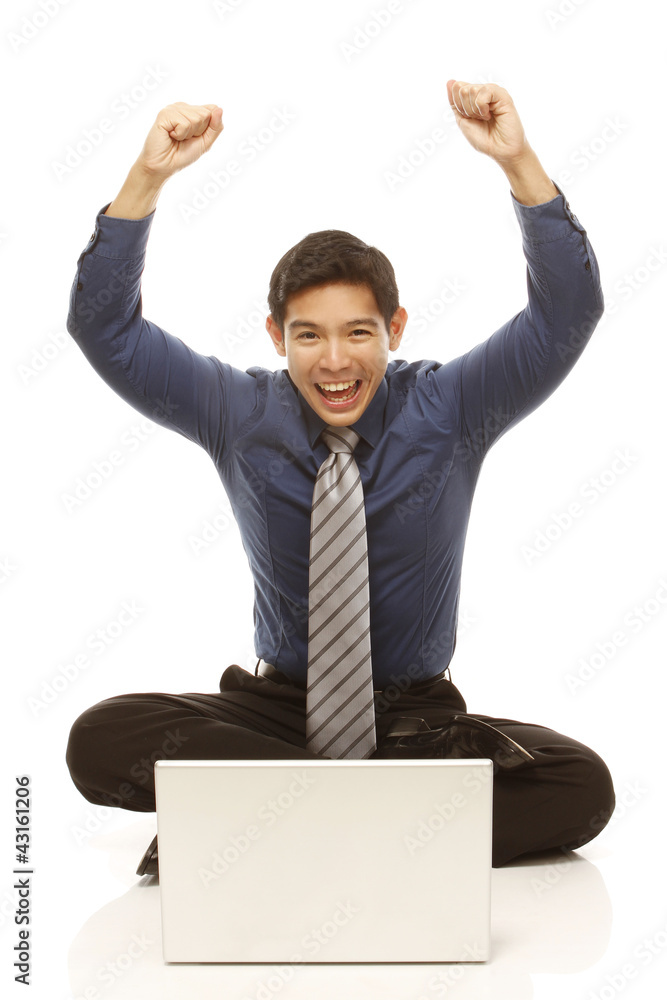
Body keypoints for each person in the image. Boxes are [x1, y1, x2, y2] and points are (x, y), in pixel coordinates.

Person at [65, 80, 615, 872]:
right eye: (308, 336)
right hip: (272, 718)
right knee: (99, 738)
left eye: (358, 332)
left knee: (578, 786)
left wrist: (517, 163)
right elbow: (104, 329)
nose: (333, 361)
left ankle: (275, 823)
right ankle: (378, 829)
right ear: (275, 337)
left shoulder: (450, 408)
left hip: (414, 728)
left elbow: (565, 316)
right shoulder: (237, 411)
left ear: (392, 328)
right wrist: (146, 180)